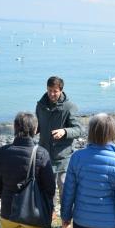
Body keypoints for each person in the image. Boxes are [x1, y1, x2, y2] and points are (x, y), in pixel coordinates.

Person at [35, 76, 82, 210]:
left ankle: (66, 218)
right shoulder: (40, 105)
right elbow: (38, 125)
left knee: (63, 187)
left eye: (55, 91)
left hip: (63, 155)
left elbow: (78, 130)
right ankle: (50, 211)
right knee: (47, 186)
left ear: (61, 90)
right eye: (49, 90)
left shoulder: (69, 107)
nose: (52, 94)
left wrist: (65, 131)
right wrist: (31, 129)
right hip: (44, 153)